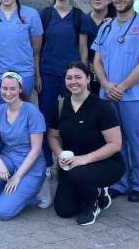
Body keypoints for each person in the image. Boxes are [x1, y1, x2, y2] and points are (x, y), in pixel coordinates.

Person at [92, 0, 139, 202]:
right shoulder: (106, 26)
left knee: (138, 141)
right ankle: (120, 182)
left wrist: (120, 87)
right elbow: (97, 61)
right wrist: (105, 85)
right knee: (115, 142)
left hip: (134, 96)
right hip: (108, 94)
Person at [49, 62, 125, 226]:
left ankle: (92, 205)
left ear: (88, 78)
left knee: (79, 175)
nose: (73, 82)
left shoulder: (102, 107)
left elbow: (115, 144)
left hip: (106, 162)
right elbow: (52, 137)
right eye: (69, 78)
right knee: (64, 210)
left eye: (78, 77)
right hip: (72, 164)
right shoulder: (61, 105)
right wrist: (60, 154)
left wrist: (85, 158)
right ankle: (96, 191)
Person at [37, 0, 91, 172]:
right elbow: (37, 48)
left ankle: (72, 160)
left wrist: (83, 78)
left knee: (73, 119)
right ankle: (46, 163)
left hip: (72, 78)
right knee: (45, 118)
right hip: (48, 74)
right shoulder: (44, 15)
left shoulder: (79, 16)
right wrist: (37, 75)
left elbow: (83, 48)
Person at [0, 72, 46, 220]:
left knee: (3, 212)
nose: (8, 93)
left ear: (20, 89)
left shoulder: (32, 112)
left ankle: (36, 192)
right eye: (4, 88)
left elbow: (36, 149)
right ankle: (11, 192)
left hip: (31, 165)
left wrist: (17, 177)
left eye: (13, 88)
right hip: (9, 159)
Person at [87, 0, 116, 96]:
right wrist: (87, 62)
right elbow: (80, 47)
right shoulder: (84, 20)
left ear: (109, 0)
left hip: (111, 76)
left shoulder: (117, 21)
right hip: (90, 75)